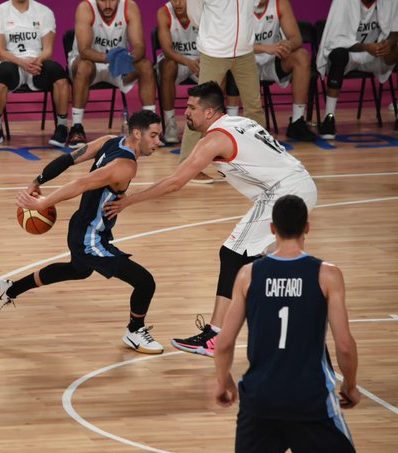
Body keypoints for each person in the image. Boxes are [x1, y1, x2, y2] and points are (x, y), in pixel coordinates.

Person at [103, 81, 317, 358]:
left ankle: (216, 335)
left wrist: (129, 201)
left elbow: (175, 182)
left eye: (192, 107)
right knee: (254, 262)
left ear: (209, 112)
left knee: (232, 254)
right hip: (300, 185)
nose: (186, 113)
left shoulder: (214, 139)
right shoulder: (241, 122)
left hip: (283, 193)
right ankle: (280, 322)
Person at [0, 110, 165, 354]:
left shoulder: (109, 141)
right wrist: (43, 203)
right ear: (137, 133)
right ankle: (135, 331)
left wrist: (38, 181)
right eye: (154, 136)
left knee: (78, 270)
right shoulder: (126, 166)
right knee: (145, 282)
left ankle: (7, 290)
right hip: (89, 239)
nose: (158, 142)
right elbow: (81, 183)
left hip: (82, 227)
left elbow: (68, 159)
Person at [214, 194, 359, 453]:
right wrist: (350, 385)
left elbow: (224, 342)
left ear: (272, 228)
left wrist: (223, 381)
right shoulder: (328, 274)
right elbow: (345, 346)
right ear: (307, 227)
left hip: (260, 400)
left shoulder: (248, 274)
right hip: (310, 399)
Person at [179, 0, 266, 183]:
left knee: (254, 105)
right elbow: (195, 15)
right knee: (199, 108)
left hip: (244, 51)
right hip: (214, 52)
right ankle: (188, 165)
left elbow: (257, 3)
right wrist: (216, 35)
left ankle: (261, 161)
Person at [66, 0, 157, 148]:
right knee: (84, 66)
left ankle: (151, 126)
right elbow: (84, 51)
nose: (108, 5)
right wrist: (110, 57)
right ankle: (77, 128)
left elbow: (140, 47)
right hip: (90, 62)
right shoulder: (85, 8)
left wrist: (126, 59)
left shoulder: (129, 7)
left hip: (118, 65)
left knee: (145, 65)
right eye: (103, 1)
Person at [0, 0, 71, 148]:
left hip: (37, 63)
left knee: (58, 72)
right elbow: (0, 52)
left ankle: (62, 127)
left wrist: (36, 61)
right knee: (3, 73)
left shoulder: (44, 12)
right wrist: (22, 63)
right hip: (12, 62)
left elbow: (48, 50)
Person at [225, 0, 317, 142]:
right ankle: (231, 126)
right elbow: (232, 43)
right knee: (232, 61)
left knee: (301, 56)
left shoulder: (280, 3)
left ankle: (297, 122)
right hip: (245, 59)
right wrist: (265, 48)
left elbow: (296, 37)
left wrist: (288, 44)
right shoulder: (237, 4)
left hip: (272, 60)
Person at [316, 0, 398, 139]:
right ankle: (329, 119)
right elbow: (335, 40)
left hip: (376, 53)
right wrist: (366, 47)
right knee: (338, 55)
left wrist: (389, 43)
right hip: (350, 54)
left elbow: (395, 31)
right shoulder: (342, 2)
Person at [155, 0, 200, 144]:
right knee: (168, 66)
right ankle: (170, 125)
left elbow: (213, 40)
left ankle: (208, 125)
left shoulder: (201, 10)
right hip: (176, 59)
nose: (178, 3)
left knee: (217, 68)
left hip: (199, 60)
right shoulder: (164, 12)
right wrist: (187, 62)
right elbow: (167, 50)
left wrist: (204, 60)